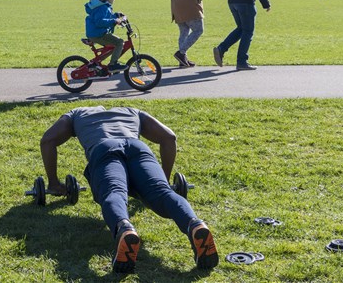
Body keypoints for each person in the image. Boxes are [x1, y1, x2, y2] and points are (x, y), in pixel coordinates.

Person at [39, 106, 219, 273]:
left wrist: (54, 183)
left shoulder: (76, 113)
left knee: (114, 192)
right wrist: (163, 177)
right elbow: (169, 137)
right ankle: (195, 224)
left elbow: (48, 140)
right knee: (163, 193)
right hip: (137, 147)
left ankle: (124, 229)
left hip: (104, 148)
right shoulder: (130, 111)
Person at [85, 0, 127, 73]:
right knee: (119, 42)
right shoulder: (101, 7)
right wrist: (114, 21)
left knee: (112, 46)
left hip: (96, 32)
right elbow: (100, 22)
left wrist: (116, 15)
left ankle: (96, 63)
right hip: (98, 33)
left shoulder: (101, 5)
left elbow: (106, 18)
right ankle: (113, 65)